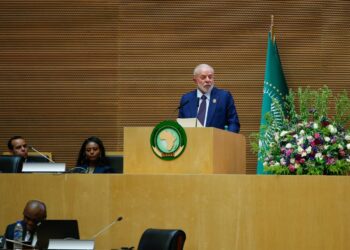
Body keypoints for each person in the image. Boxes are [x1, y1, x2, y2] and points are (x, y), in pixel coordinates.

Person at [178, 64, 240, 133]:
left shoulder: (224, 97)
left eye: (210, 77)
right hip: (192, 141)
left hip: (217, 142)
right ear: (195, 80)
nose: (207, 80)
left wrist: (226, 139)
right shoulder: (186, 99)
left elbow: (234, 123)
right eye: (203, 77)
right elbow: (181, 125)